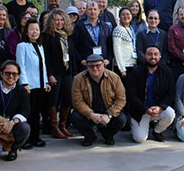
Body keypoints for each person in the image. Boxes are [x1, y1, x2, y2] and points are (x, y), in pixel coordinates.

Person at [71, 54, 128, 146]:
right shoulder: (78, 79)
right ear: (87, 66)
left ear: (103, 65)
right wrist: (91, 114)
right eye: (91, 66)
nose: (95, 68)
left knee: (121, 119)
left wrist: (109, 115)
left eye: (98, 65)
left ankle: (108, 135)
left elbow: (121, 99)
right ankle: (89, 136)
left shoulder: (114, 77)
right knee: (75, 117)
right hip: (89, 111)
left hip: (108, 111)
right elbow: (77, 101)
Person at [126, 46, 176, 143]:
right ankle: (138, 124)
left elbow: (171, 93)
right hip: (141, 111)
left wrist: (160, 107)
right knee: (139, 139)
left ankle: (157, 131)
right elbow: (131, 94)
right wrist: (145, 109)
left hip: (158, 108)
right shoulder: (136, 72)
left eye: (155, 54)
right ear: (145, 56)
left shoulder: (167, 72)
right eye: (149, 54)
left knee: (170, 114)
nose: (153, 57)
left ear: (160, 56)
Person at [42, 9, 78, 139]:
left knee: (67, 98)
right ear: (51, 21)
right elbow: (45, 57)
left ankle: (63, 125)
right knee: (54, 99)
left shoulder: (67, 35)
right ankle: (54, 127)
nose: (59, 22)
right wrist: (49, 74)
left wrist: (74, 73)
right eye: (56, 19)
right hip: (55, 73)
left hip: (67, 71)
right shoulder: (47, 36)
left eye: (62, 19)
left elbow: (72, 55)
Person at [16, 19, 51, 149]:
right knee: (28, 113)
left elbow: (43, 66)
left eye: (36, 29)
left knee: (37, 113)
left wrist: (46, 81)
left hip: (40, 84)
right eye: (31, 29)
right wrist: (24, 83)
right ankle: (25, 140)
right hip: (29, 85)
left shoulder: (40, 46)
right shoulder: (22, 46)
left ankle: (36, 138)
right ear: (26, 31)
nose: (34, 32)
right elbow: (21, 66)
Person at [73, 0, 113, 71]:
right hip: (86, 65)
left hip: (102, 64)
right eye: (90, 9)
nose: (93, 11)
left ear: (99, 11)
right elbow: (74, 46)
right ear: (86, 11)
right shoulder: (79, 27)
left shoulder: (105, 27)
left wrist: (108, 59)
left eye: (95, 9)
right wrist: (81, 60)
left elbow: (110, 45)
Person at [113, 7, 137, 79]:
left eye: (128, 14)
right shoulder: (118, 29)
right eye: (123, 14)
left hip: (132, 65)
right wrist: (122, 69)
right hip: (123, 67)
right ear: (119, 17)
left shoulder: (131, 29)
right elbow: (116, 49)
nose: (126, 16)